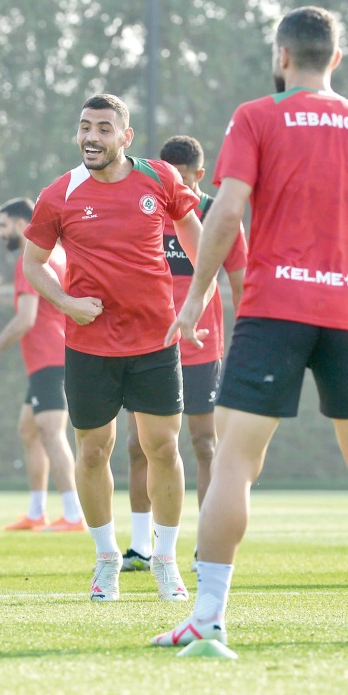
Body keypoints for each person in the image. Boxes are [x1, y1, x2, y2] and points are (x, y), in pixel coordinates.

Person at [154, 6, 348, 647]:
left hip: (273, 310)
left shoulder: (256, 116)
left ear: (281, 57)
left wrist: (194, 301)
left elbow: (227, 212)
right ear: (336, 61)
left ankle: (207, 619)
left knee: (236, 461)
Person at [23, 93, 203, 603]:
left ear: (126, 137)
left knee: (163, 448)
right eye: (85, 127)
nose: (91, 138)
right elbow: (34, 265)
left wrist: (194, 304)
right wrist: (66, 302)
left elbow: (198, 240)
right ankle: (106, 560)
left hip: (154, 341)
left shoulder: (160, 178)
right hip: (89, 344)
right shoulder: (59, 194)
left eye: (103, 128)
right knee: (93, 450)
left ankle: (165, 560)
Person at [122, 137, 246, 572]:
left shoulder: (217, 214)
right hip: (147, 342)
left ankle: (204, 545)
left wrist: (245, 344)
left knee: (204, 443)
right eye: (168, 175)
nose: (175, 183)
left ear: (198, 173)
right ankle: (140, 545)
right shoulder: (145, 202)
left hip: (200, 345)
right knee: (140, 445)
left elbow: (239, 282)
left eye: (183, 177)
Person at [0, 198, 81, 533]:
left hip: (51, 359)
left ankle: (74, 515)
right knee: (29, 430)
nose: (0, 233)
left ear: (20, 225)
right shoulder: (57, 253)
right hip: (49, 360)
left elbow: (26, 319)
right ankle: (37, 512)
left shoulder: (30, 260)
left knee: (51, 433)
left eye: (3, 226)